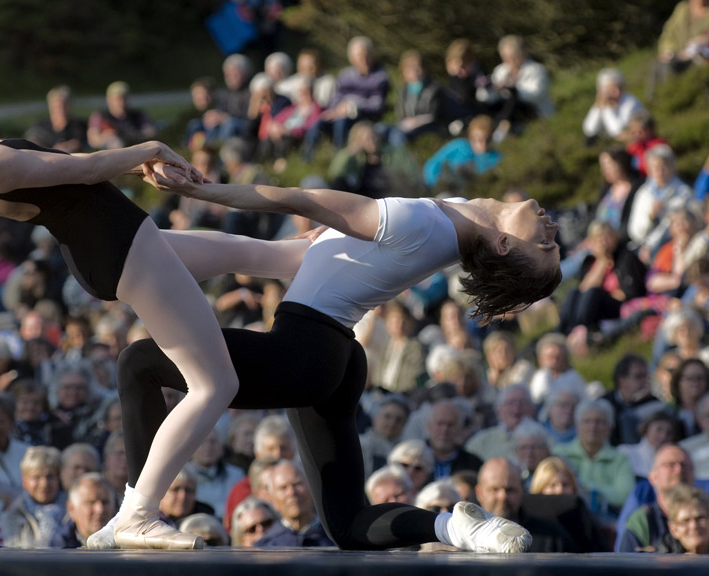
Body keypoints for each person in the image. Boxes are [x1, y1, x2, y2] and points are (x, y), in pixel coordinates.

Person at [98, 172, 560, 551]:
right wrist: (141, 245)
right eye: (552, 243)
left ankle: (136, 514)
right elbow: (258, 254)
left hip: (306, 351)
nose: (552, 230)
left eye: (545, 246)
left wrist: (197, 190)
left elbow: (296, 198)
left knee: (140, 362)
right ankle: (459, 529)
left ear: (503, 245)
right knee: (349, 525)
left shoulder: (422, 222)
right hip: (334, 359)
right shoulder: (449, 220)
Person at [475, 458, 578, 552]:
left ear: (522, 491)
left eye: (510, 490)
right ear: (479, 493)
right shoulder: (463, 537)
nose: (503, 496)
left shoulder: (553, 537)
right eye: (495, 489)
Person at [0, 446, 65, 548]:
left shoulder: (74, 512)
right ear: (24, 480)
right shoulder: (12, 516)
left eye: (50, 476)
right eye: (36, 477)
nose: (44, 484)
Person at [422, 115, 501, 189]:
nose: (480, 143)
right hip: (442, 188)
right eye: (475, 139)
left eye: (485, 140)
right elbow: (433, 162)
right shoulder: (460, 145)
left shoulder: (495, 158)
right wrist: (436, 185)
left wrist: (482, 155)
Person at [86, 82, 157, 150]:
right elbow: (93, 139)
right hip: (110, 152)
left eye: (124, 98)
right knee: (115, 143)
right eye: (117, 99)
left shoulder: (137, 115)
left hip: (136, 149)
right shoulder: (100, 116)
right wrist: (106, 137)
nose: (121, 102)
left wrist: (130, 134)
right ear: (109, 99)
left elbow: (150, 132)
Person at [52, 472, 114, 548]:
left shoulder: (125, 540)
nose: (100, 510)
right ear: (71, 509)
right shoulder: (58, 548)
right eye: (91, 502)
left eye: (105, 502)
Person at [583, 68, 644, 144]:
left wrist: (607, 109)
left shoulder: (631, 103)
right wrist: (598, 108)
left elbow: (619, 131)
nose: (617, 92)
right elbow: (589, 130)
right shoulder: (602, 103)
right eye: (611, 89)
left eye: (619, 87)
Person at [660, 483, 709, 553]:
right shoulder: (661, 558)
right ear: (673, 529)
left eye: (699, 518)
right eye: (685, 521)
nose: (693, 526)